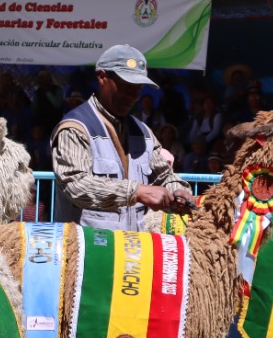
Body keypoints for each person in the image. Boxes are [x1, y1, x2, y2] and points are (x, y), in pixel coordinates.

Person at [50, 45, 193, 230]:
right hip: (85, 249)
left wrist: (179, 191)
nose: (133, 96)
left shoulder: (143, 132)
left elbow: (165, 176)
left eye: (138, 89)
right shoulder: (75, 129)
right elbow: (76, 185)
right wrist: (136, 191)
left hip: (132, 248)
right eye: (126, 86)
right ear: (102, 77)